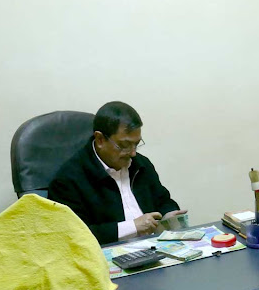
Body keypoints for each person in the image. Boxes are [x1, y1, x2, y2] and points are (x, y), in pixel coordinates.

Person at [49, 101, 186, 245]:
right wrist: (132, 227)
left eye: (136, 144)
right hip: (106, 254)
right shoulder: (68, 180)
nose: (133, 153)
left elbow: (163, 200)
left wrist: (168, 215)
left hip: (154, 247)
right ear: (100, 139)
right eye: (125, 145)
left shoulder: (141, 165)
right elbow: (73, 235)